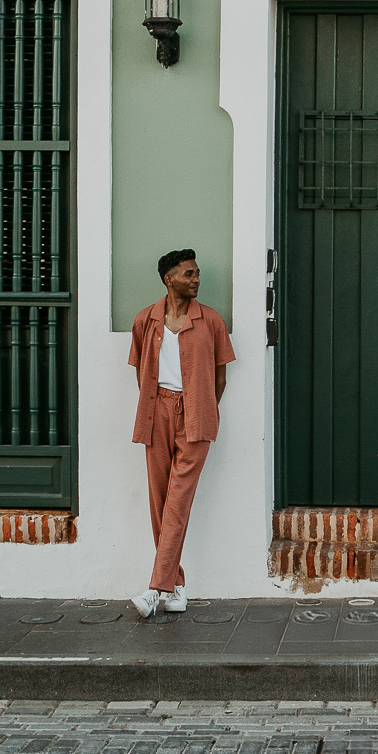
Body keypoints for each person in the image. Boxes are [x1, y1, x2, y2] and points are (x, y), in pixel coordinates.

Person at [128, 248, 235, 618]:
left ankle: (156, 589)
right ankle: (176, 589)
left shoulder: (212, 322)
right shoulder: (146, 320)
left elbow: (221, 376)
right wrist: (155, 403)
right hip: (156, 411)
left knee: (177, 501)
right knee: (160, 502)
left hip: (196, 416)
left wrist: (204, 405)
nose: (196, 280)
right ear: (168, 278)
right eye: (189, 274)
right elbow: (140, 369)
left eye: (198, 273)